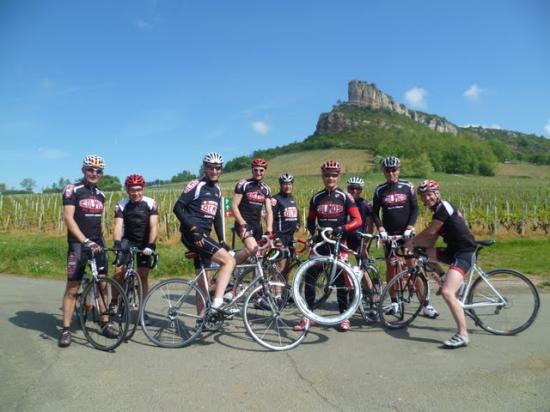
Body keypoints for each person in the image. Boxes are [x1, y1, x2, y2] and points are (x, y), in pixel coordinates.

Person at [295, 160, 362, 332]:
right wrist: (314, 234)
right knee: (310, 278)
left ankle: (344, 317)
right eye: (327, 175)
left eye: (334, 175)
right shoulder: (316, 197)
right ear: (322, 176)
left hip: (338, 243)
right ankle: (308, 317)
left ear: (339, 176)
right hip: (320, 243)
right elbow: (310, 221)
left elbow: (357, 220)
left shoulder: (345, 197)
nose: (330, 178)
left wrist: (342, 228)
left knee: (341, 282)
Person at [412, 179, 477, 348]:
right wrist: (416, 246)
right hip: (453, 250)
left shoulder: (444, 207)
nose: (427, 198)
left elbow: (431, 232)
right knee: (422, 253)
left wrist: (409, 242)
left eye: (429, 194)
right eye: (423, 195)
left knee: (448, 293)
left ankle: (463, 334)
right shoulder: (438, 211)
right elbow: (431, 239)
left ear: (437, 194)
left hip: (464, 253)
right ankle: (447, 279)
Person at [59, 154, 115, 347]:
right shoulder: (72, 190)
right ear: (83, 170)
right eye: (90, 169)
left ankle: (105, 323)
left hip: (97, 243)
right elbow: (68, 219)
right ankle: (66, 329)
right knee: (73, 287)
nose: (94, 173)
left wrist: (100, 242)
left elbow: (98, 222)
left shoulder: (101, 194)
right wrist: (85, 241)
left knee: (102, 285)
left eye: (98, 170)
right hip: (78, 244)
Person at [372, 156, 439, 318]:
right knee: (390, 266)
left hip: (406, 234)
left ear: (399, 170)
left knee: (413, 266)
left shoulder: (407, 186)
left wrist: (410, 227)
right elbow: (374, 212)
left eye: (393, 170)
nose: (391, 173)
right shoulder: (379, 190)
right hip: (389, 235)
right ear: (383, 171)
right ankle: (394, 301)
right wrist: (381, 229)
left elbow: (415, 209)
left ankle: (425, 304)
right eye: (387, 170)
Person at [173, 152, 236, 318]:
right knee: (229, 261)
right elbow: (178, 208)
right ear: (205, 168)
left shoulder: (217, 189)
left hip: (205, 235)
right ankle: (218, 302)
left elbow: (216, 216)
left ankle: (201, 320)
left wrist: (222, 239)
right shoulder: (196, 185)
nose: (214, 171)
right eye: (210, 167)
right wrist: (194, 230)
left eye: (217, 168)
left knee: (203, 284)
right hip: (193, 234)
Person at [112, 174, 159, 321]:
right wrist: (117, 244)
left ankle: (142, 310)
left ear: (143, 189)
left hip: (145, 243)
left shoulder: (151, 203)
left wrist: (151, 245)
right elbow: (118, 226)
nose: (136, 193)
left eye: (139, 189)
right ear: (127, 190)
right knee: (118, 272)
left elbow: (154, 225)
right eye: (132, 190)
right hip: (128, 241)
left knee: (143, 276)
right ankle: (114, 303)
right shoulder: (122, 205)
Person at [345, 176, 377, 322]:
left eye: (357, 188)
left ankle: (371, 302)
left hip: (359, 239)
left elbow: (371, 225)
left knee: (363, 269)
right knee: (342, 267)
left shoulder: (365, 204)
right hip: (345, 238)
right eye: (351, 188)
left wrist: (367, 243)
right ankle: (349, 296)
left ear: (361, 190)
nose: (354, 191)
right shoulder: (344, 202)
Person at [231, 158, 274, 263]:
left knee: (260, 256)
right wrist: (242, 223)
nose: (258, 173)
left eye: (261, 170)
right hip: (243, 224)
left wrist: (269, 229)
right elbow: (234, 206)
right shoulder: (243, 184)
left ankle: (256, 279)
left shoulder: (266, 189)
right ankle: (230, 264)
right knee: (253, 249)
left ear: (265, 171)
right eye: (255, 170)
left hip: (257, 226)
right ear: (252, 170)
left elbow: (269, 211)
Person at [271, 173, 300, 279]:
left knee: (287, 267)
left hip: (290, 238)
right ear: (281, 185)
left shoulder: (292, 198)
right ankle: (277, 294)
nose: (287, 186)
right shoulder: (276, 199)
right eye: (285, 184)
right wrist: (276, 236)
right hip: (280, 237)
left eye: (289, 184)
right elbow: (270, 219)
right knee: (281, 266)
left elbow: (297, 212)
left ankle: (285, 293)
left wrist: (298, 223)